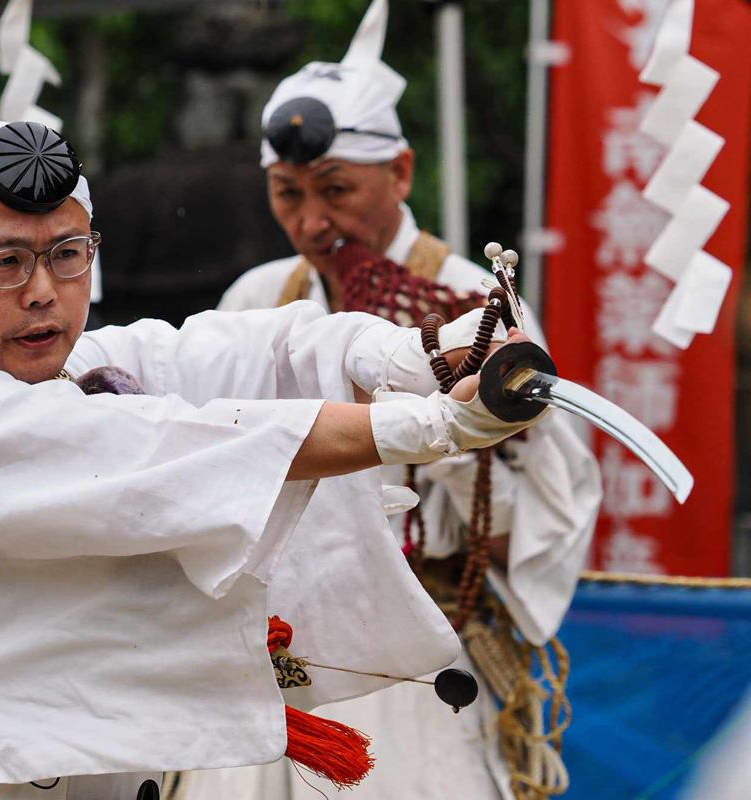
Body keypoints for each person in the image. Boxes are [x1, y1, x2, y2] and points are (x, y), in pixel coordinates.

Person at [0, 118, 547, 799]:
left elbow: (243, 352)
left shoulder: (68, 369)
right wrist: (431, 426)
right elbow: (186, 440)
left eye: (67, 255)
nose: (43, 293)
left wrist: (409, 352)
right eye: (3, 262)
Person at [198, 1, 603, 798]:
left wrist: (457, 433)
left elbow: (540, 510)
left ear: (403, 173)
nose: (313, 221)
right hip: (273, 646)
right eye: (287, 194)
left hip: (418, 651)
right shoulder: (256, 297)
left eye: (337, 189)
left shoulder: (472, 304)